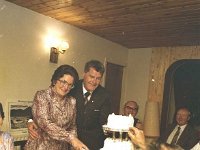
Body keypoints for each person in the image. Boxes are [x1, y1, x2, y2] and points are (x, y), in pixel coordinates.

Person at [28, 60, 112, 150]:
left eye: (98, 78)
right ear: (84, 74)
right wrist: (30, 120)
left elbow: (73, 126)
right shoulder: (71, 87)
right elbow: (41, 116)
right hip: (42, 144)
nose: (66, 87)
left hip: (83, 144)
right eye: (91, 76)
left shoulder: (103, 95)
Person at [24, 65, 88, 150]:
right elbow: (45, 123)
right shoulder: (42, 96)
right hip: (40, 146)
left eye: (70, 85)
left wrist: (74, 146)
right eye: (63, 82)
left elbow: (72, 126)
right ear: (55, 80)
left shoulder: (72, 101)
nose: (66, 87)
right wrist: (71, 139)